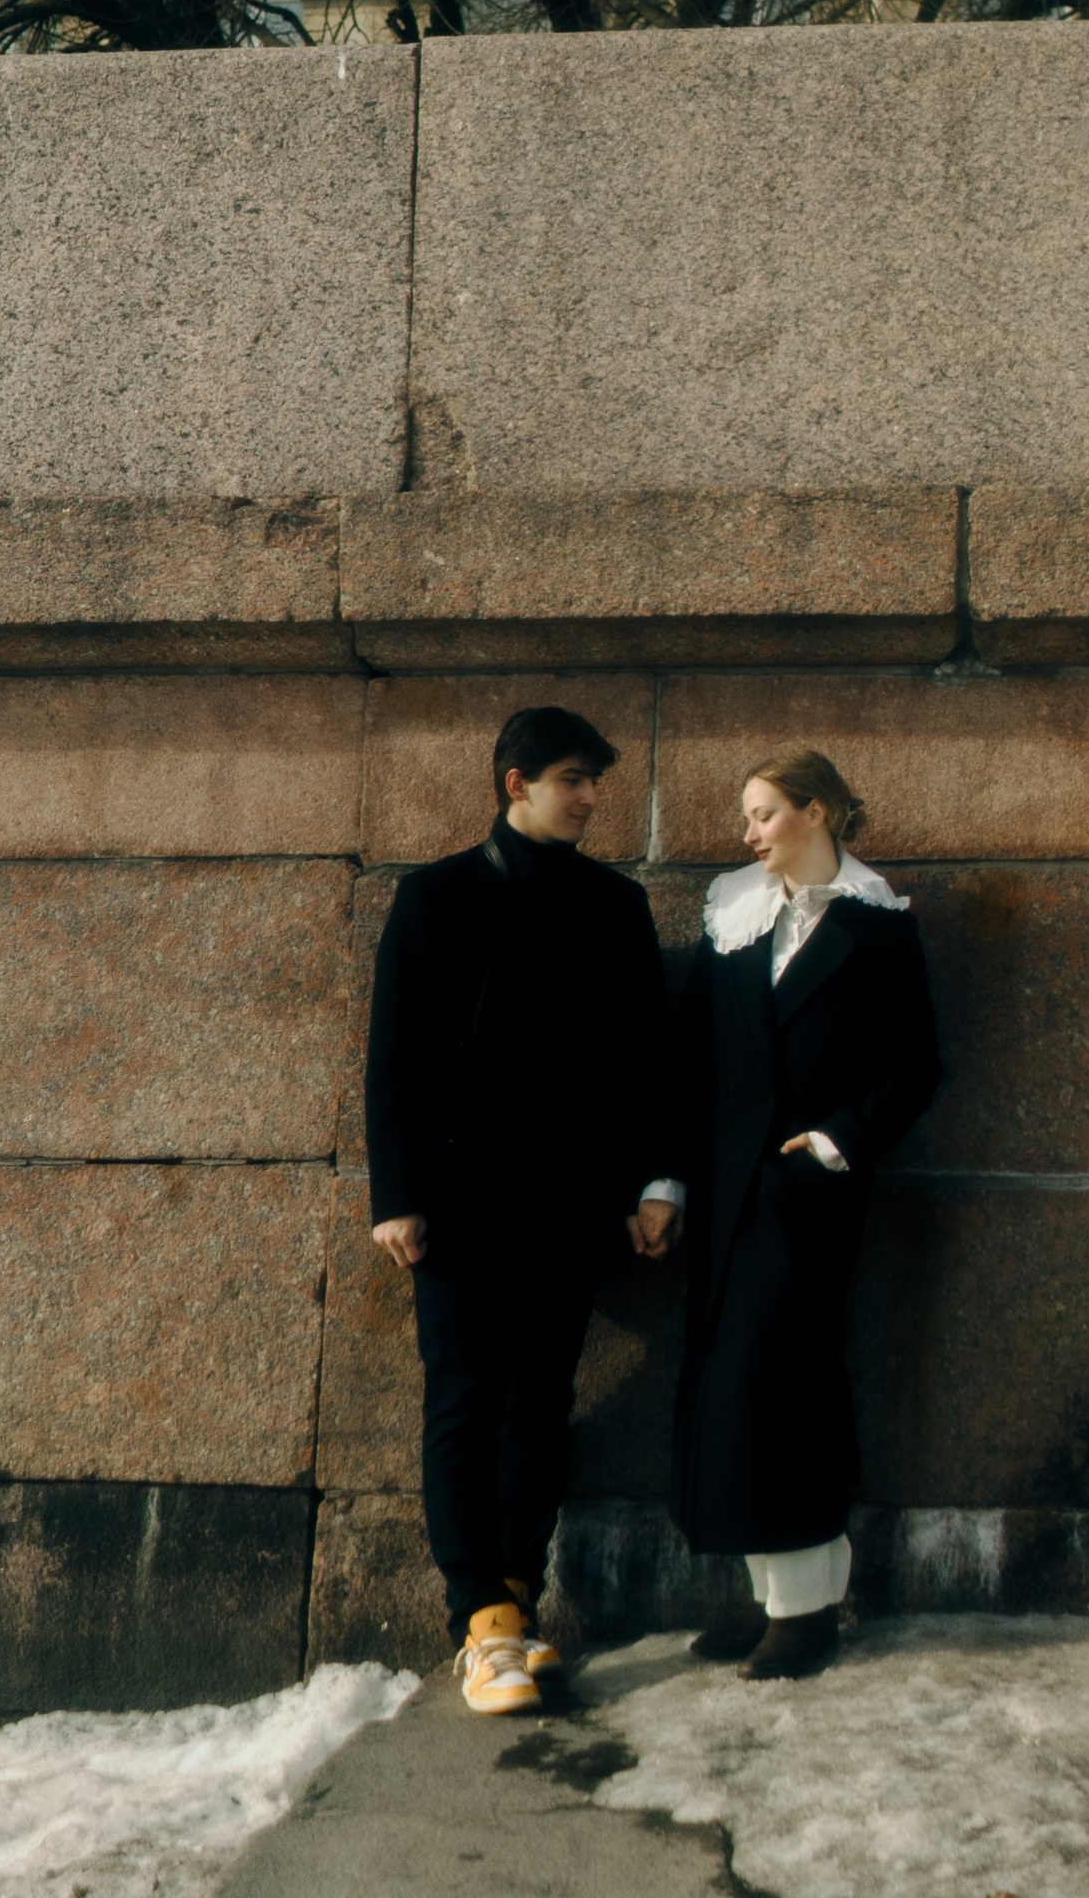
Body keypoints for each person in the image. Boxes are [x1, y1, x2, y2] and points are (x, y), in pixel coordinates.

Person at [364, 704, 683, 1717]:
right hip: (454, 1204)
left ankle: (516, 1598)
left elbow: (647, 1063)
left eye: (595, 781)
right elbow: (395, 1056)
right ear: (516, 783)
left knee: (539, 1400)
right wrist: (396, 1196)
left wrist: (654, 1179)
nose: (592, 797)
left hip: (567, 1198)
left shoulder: (615, 903)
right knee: (462, 1395)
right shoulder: (433, 896)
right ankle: (479, 1617)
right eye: (574, 779)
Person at [669, 748, 942, 1680]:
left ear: (816, 812)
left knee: (771, 1384)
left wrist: (836, 1142)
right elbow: (691, 1061)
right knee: (735, 1385)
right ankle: (789, 1602)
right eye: (746, 818)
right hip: (723, 1191)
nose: (748, 834)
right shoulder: (735, 915)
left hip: (808, 1196)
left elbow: (916, 1068)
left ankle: (805, 1614)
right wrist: (663, 1183)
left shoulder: (879, 929)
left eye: (762, 814)